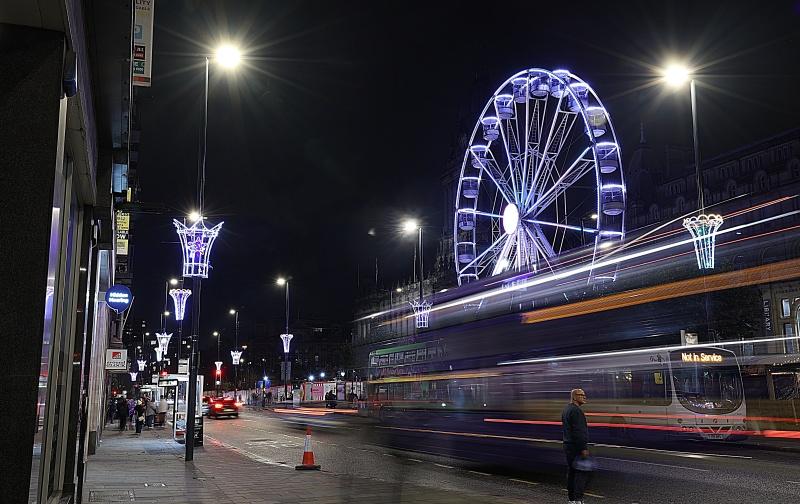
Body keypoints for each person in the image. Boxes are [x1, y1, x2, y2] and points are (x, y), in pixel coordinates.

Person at [562, 388, 589, 504]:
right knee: (580, 474)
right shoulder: (576, 411)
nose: (584, 397)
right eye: (581, 395)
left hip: (568, 446)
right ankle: (578, 500)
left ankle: (572, 499)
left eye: (584, 394)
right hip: (576, 447)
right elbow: (579, 432)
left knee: (572, 473)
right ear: (574, 397)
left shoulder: (567, 409)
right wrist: (583, 448)